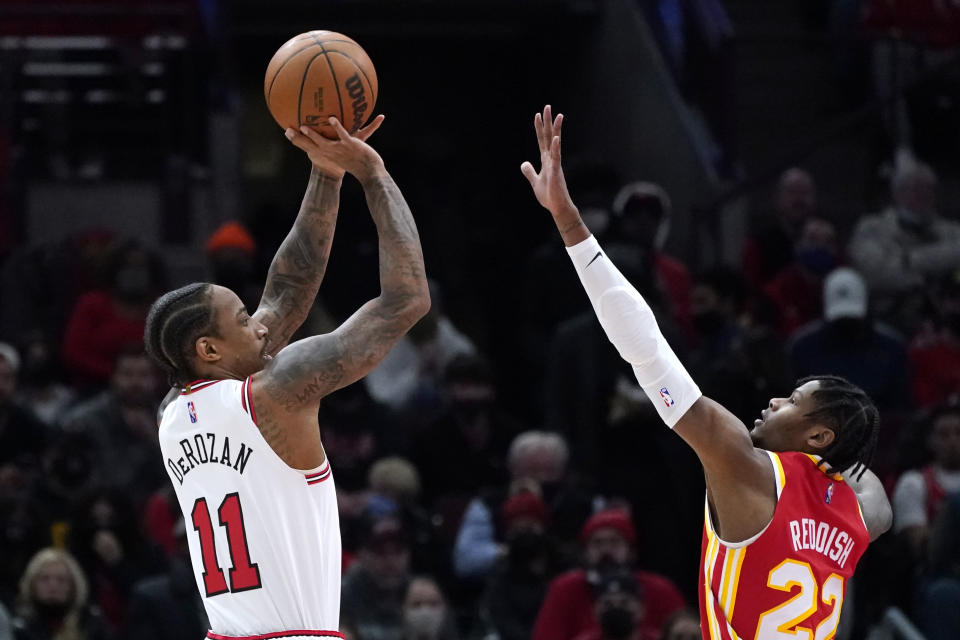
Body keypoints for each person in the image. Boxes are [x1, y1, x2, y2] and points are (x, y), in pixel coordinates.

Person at [520, 105, 892, 640]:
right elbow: (871, 488)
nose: (773, 403)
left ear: (818, 434)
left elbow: (646, 348)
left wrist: (568, 222)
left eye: (792, 402)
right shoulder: (861, 514)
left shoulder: (743, 463)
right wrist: (834, 458)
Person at [144, 114, 430, 639]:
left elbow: (285, 295)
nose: (259, 322)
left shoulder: (170, 416)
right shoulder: (274, 395)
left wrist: (325, 173)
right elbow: (407, 300)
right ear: (209, 348)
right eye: (242, 319)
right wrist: (372, 174)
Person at [532, 509, 684, 640]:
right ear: (585, 552)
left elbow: (685, 630)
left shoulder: (659, 589)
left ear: (631, 551)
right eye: (597, 543)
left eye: (614, 542)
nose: (606, 551)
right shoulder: (565, 589)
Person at [12, 548, 112, 640]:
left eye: (61, 580)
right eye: (44, 579)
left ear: (73, 586)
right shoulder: (20, 626)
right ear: (32, 584)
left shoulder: (91, 623)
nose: (53, 585)